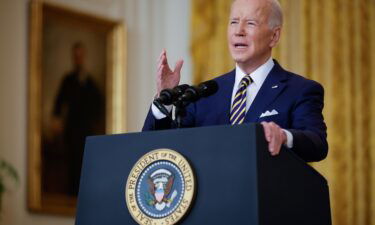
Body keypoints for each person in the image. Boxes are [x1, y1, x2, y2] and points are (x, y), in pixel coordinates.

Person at [143, 0, 328, 162]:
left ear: (274, 36)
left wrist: (283, 136)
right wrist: (163, 99)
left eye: (250, 23)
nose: (239, 31)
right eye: (233, 22)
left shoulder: (300, 90)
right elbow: (159, 151)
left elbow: (317, 144)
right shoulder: (204, 94)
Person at [51, 42, 104, 195]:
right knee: (71, 163)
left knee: (84, 164)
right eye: (76, 56)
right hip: (71, 129)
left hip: (86, 130)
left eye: (80, 56)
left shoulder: (90, 82)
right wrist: (56, 120)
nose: (78, 59)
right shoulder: (67, 80)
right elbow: (58, 103)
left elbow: (98, 105)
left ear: (84, 58)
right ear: (73, 58)